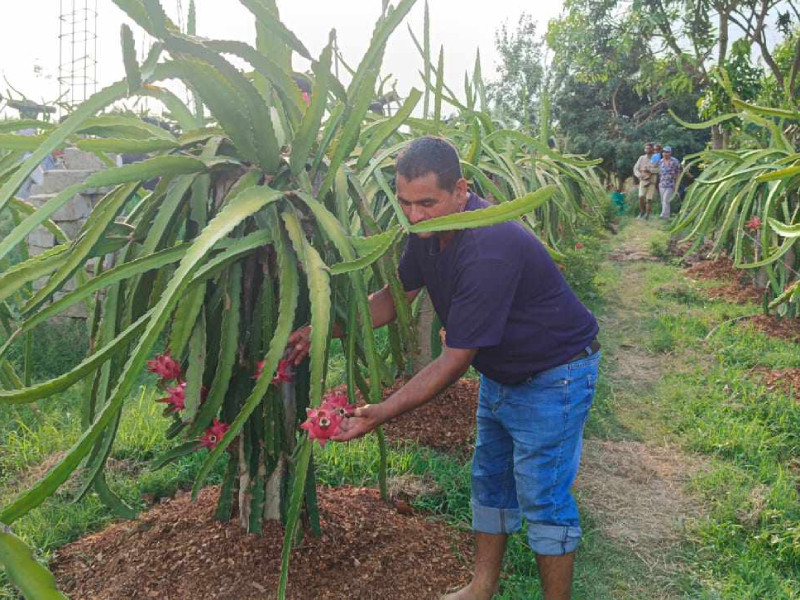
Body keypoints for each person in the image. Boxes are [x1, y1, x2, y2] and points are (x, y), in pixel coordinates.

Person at [287, 136, 601, 600]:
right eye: (405, 203)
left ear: (461, 190)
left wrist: (381, 412)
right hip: (503, 373)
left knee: (543, 496)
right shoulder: (429, 232)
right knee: (490, 482)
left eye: (427, 203)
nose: (414, 216)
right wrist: (321, 329)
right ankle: (481, 587)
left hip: (555, 374)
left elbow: (454, 361)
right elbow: (394, 299)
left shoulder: (488, 245)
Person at [633, 142, 657, 219]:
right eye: (646, 148)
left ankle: (647, 215)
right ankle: (642, 211)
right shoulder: (641, 158)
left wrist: (650, 170)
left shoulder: (656, 158)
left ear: (652, 149)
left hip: (652, 181)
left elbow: (659, 169)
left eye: (649, 148)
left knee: (649, 199)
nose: (647, 150)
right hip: (643, 180)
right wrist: (639, 175)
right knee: (641, 196)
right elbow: (635, 168)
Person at [657, 146, 681, 219]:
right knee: (662, 200)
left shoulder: (675, 161)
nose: (665, 154)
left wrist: (677, 183)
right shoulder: (660, 161)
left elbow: (679, 172)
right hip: (662, 183)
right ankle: (666, 215)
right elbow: (659, 172)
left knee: (666, 200)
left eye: (667, 152)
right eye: (664, 152)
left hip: (671, 184)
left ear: (670, 153)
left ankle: (664, 215)